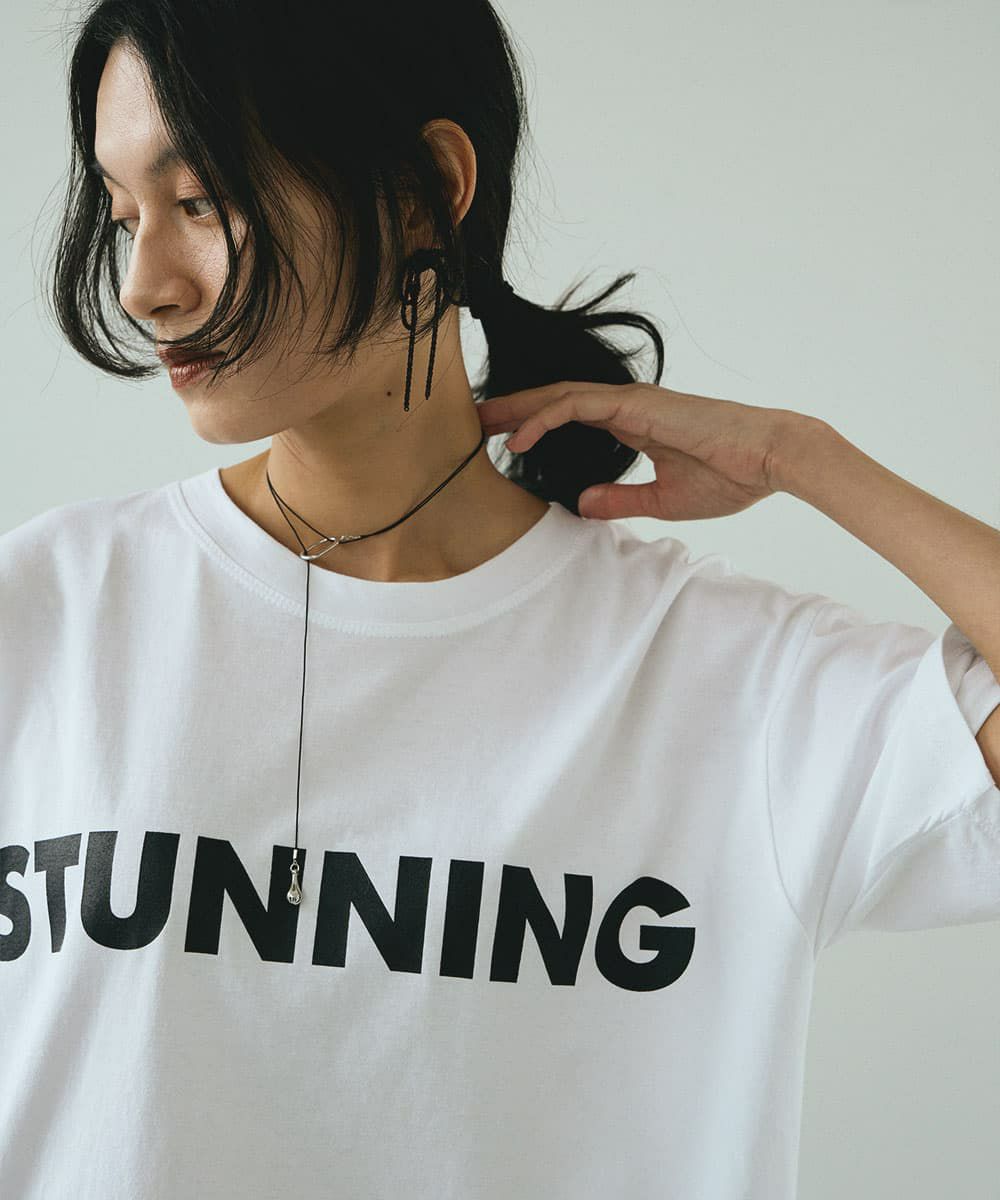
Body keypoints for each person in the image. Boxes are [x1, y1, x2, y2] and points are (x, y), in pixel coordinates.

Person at [2, 2, 998, 1198]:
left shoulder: (717, 676)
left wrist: (804, 457)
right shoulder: (44, 614)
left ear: (427, 188)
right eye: (125, 216)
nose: (147, 287)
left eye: (203, 202)